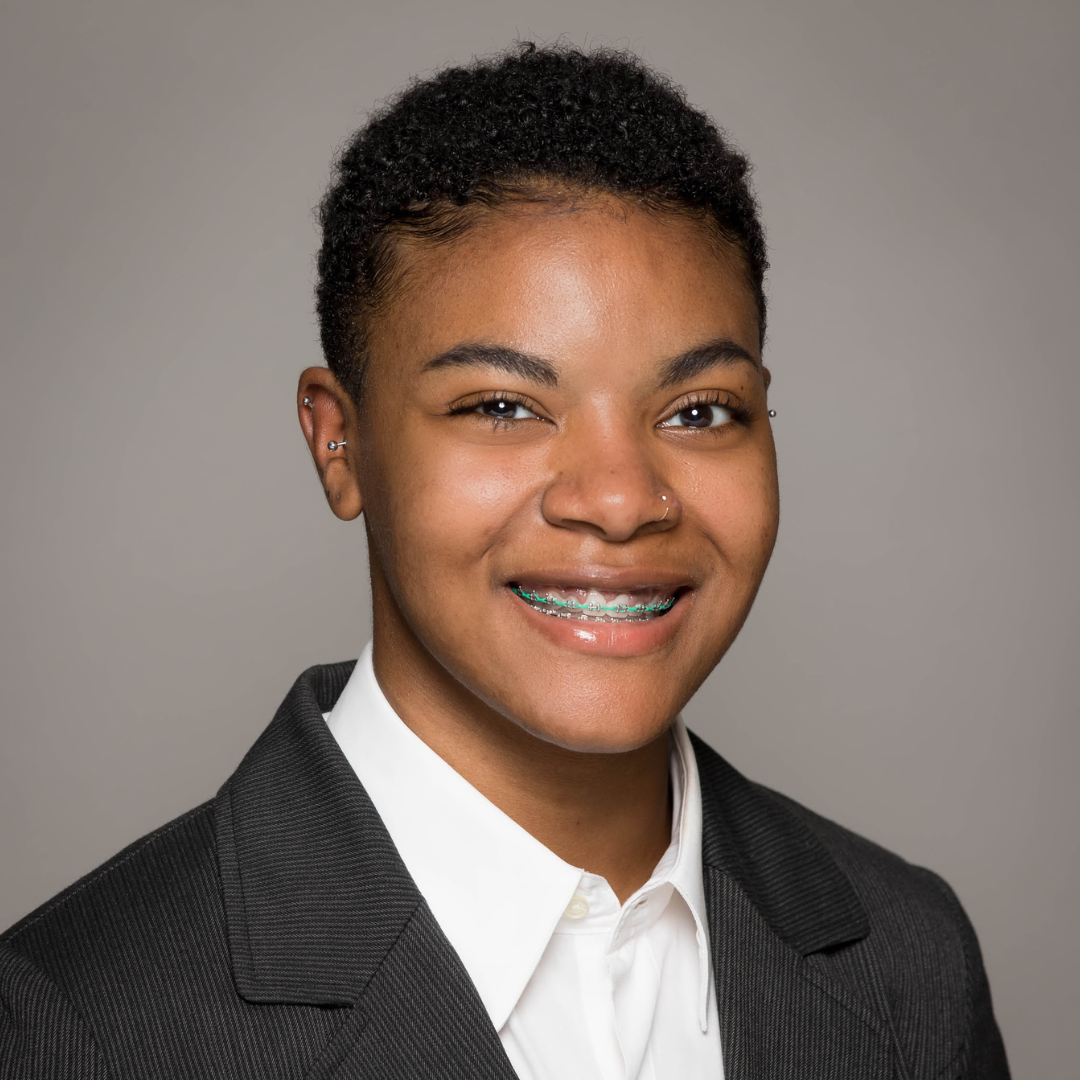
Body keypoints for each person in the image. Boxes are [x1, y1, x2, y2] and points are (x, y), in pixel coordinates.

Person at [0, 43, 1009, 1080]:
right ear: (338, 441)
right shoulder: (81, 1022)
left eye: (700, 411)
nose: (619, 500)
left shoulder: (911, 957)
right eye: (502, 407)